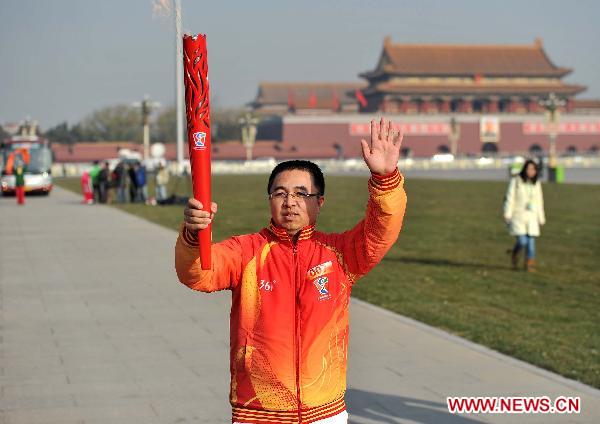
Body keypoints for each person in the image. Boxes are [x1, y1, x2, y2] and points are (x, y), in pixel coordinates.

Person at [175, 118, 407, 424]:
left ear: (319, 202)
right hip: (258, 411)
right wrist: (194, 237)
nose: (290, 203)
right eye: (280, 193)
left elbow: (381, 229)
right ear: (269, 199)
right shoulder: (246, 252)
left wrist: (385, 179)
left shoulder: (340, 255)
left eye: (302, 194)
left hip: (324, 412)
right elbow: (198, 273)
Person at [503, 159, 546, 272]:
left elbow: (539, 201)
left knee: (531, 241)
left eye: (533, 169)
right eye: (529, 168)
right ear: (524, 169)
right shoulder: (516, 181)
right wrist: (507, 213)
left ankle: (529, 264)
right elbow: (510, 198)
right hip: (518, 215)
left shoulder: (536, 183)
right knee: (523, 241)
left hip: (532, 216)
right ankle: (515, 252)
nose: (531, 171)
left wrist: (541, 218)